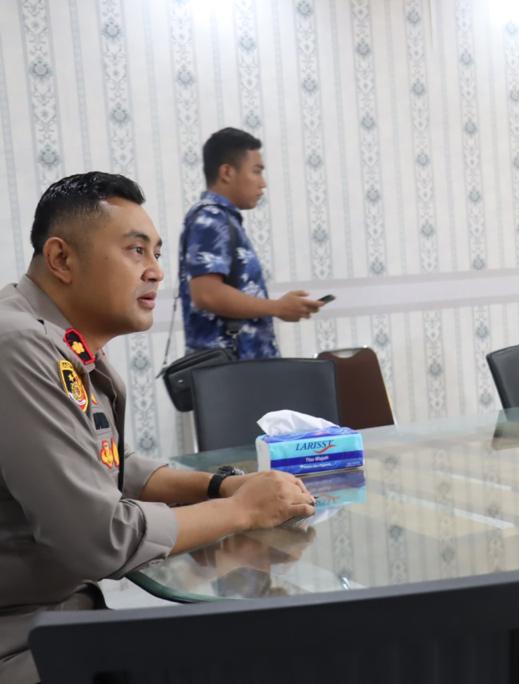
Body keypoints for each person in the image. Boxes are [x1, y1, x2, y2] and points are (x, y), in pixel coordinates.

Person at [0, 172, 317, 683]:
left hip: (60, 617)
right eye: (136, 251)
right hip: (20, 643)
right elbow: (99, 538)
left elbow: (109, 462)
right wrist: (242, 509)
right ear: (61, 259)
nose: (156, 271)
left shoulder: (58, 340)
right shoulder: (19, 346)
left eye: (157, 253)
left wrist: (219, 485)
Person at [179, 127, 323, 359]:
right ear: (227, 172)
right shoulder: (210, 219)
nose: (262, 183)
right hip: (228, 372)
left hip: (239, 368)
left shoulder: (222, 219)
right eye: (256, 171)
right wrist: (277, 307)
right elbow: (206, 294)